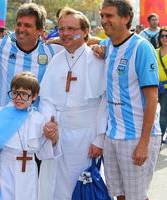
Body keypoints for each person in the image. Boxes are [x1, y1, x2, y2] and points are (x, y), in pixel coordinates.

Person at [38, 7, 107, 200]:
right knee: (55, 187)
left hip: (86, 138)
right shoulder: (56, 60)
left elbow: (104, 102)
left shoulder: (97, 59)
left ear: (85, 32)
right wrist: (49, 122)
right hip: (58, 136)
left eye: (71, 29)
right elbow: (47, 99)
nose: (66, 33)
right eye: (61, 29)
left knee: (81, 188)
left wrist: (99, 139)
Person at [100, 1, 161, 200]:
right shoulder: (107, 45)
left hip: (137, 137)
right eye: (102, 16)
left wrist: (144, 143)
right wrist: (52, 41)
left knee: (137, 197)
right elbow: (83, 38)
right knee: (118, 195)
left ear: (126, 18)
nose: (104, 21)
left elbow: (152, 99)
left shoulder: (141, 48)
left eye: (109, 16)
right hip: (112, 136)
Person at [0, 71, 60, 200]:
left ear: (34, 96)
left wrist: (53, 139)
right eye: (15, 93)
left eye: (24, 94)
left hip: (29, 170)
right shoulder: (2, 114)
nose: (18, 98)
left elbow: (43, 152)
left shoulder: (39, 119)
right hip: (6, 168)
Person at [156, 27, 167, 144]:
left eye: (166, 36)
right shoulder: (154, 51)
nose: (164, 38)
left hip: (166, 90)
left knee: (163, 114)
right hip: (154, 88)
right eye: (162, 36)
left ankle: (159, 140)